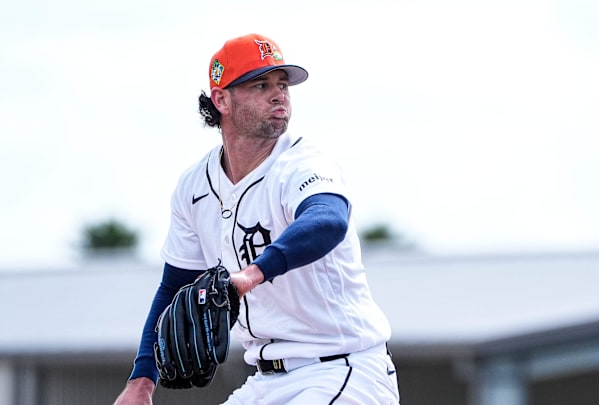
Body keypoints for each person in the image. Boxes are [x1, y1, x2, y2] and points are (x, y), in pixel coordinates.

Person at [113, 33, 400, 405]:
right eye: (261, 85)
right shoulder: (194, 186)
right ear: (222, 99)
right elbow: (174, 287)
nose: (279, 94)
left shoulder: (303, 163)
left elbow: (328, 220)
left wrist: (249, 277)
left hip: (343, 370)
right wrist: (142, 380)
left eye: (283, 84)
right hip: (267, 380)